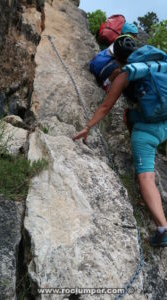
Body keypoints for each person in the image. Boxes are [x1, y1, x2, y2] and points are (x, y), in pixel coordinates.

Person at [72, 35, 167, 247]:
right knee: (128, 114)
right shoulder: (157, 63)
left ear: (117, 59)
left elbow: (106, 107)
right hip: (165, 124)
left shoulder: (126, 75)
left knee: (146, 177)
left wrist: (87, 127)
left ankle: (162, 228)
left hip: (147, 132)